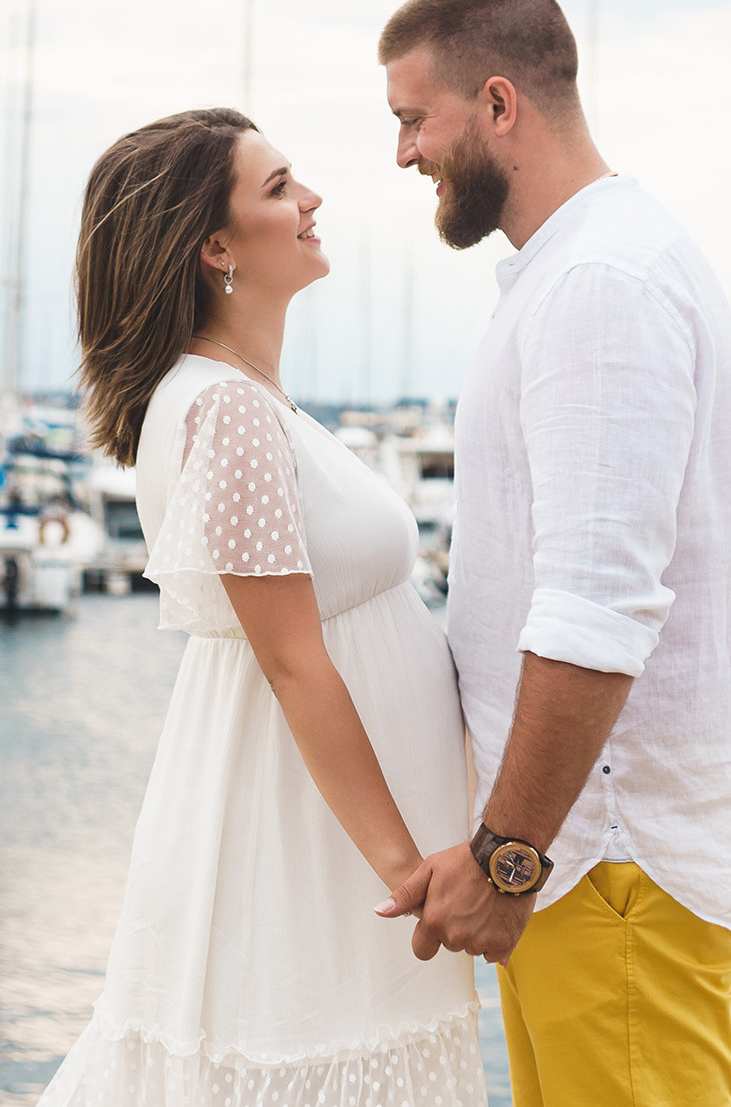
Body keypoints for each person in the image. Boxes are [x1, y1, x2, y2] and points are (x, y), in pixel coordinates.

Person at [374, 0, 731, 1106]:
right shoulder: (573, 270)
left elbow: (597, 604)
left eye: (414, 118)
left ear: (499, 104)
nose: (403, 152)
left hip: (603, 860)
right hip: (584, 860)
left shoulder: (601, 282)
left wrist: (508, 857)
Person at [36, 107, 484, 1107]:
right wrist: (406, 867)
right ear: (215, 245)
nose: (312, 198)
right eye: (280, 186)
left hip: (313, 830)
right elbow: (291, 660)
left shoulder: (239, 398)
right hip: (314, 850)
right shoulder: (224, 408)